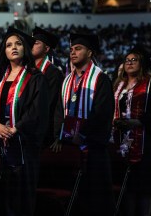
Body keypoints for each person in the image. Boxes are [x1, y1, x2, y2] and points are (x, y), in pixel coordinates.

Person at [0, 27, 49, 216]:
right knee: (2, 195)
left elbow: (37, 111)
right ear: (4, 51)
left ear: (25, 48)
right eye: (9, 45)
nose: (13, 47)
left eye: (18, 44)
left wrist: (16, 129)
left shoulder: (35, 77)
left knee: (21, 197)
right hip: (0, 142)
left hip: (24, 144)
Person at [55, 33, 114, 216]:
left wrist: (82, 134)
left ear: (90, 53)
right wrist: (59, 135)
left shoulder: (101, 79)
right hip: (69, 146)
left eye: (78, 49)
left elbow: (102, 112)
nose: (72, 52)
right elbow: (59, 111)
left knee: (94, 201)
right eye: (71, 49)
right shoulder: (66, 80)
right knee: (73, 199)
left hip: (93, 148)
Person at [112, 45, 151, 216]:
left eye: (134, 60)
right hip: (122, 141)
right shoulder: (119, 85)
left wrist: (137, 122)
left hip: (146, 142)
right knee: (126, 187)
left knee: (143, 188)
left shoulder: (149, 83)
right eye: (127, 60)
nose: (129, 63)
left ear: (141, 63)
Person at [32, 26, 64, 146]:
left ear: (46, 48)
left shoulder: (53, 73)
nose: (31, 45)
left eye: (36, 43)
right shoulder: (26, 70)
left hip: (44, 131)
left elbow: (50, 103)